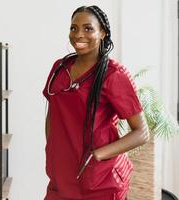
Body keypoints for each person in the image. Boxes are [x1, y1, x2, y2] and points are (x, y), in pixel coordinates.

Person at [43, 5, 149, 200]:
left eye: (88, 28)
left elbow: (141, 132)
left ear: (102, 33)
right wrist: (52, 148)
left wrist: (99, 154)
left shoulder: (114, 74)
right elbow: (53, 113)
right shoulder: (59, 68)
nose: (78, 34)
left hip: (100, 181)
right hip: (61, 176)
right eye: (73, 28)